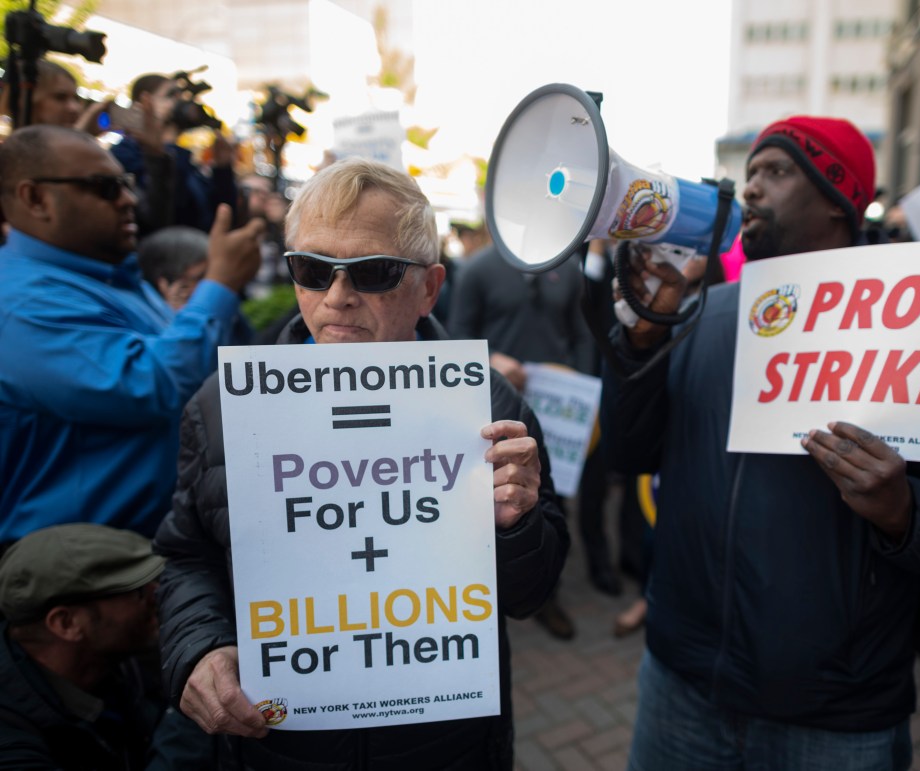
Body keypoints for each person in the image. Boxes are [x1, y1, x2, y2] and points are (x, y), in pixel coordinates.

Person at [602, 115, 920, 770]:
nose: (751, 189)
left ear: (838, 196)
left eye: (775, 171)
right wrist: (639, 346)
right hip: (681, 685)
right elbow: (631, 456)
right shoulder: (705, 314)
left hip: (832, 713)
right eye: (749, 174)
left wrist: (904, 511)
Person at [153, 158, 569, 770]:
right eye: (312, 270)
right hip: (284, 744)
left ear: (428, 288)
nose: (338, 297)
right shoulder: (221, 408)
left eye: (373, 273)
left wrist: (518, 525)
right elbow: (188, 555)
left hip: (444, 745)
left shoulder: (491, 407)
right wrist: (198, 648)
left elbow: (531, 594)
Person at [0, 126, 264, 545]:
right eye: (106, 187)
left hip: (151, 554)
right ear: (35, 198)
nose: (130, 199)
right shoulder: (18, 303)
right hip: (85, 579)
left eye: (126, 183)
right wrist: (218, 287)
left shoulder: (110, 276)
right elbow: (151, 385)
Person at [448, 243, 595, 636]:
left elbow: (581, 334)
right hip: (497, 413)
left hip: (558, 410)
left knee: (549, 501)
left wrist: (580, 389)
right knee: (500, 503)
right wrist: (490, 360)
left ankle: (548, 595)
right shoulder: (477, 270)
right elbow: (458, 333)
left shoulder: (568, 269)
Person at [0, 523, 210, 769]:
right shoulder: (10, 738)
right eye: (139, 591)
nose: (159, 594)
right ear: (66, 623)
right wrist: (194, 706)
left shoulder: (120, 662)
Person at [111, 73, 238, 234]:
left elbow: (222, 217)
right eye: (171, 95)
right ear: (142, 104)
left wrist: (223, 169)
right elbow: (164, 214)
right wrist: (160, 152)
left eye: (182, 96)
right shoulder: (125, 154)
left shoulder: (187, 161)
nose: (181, 103)